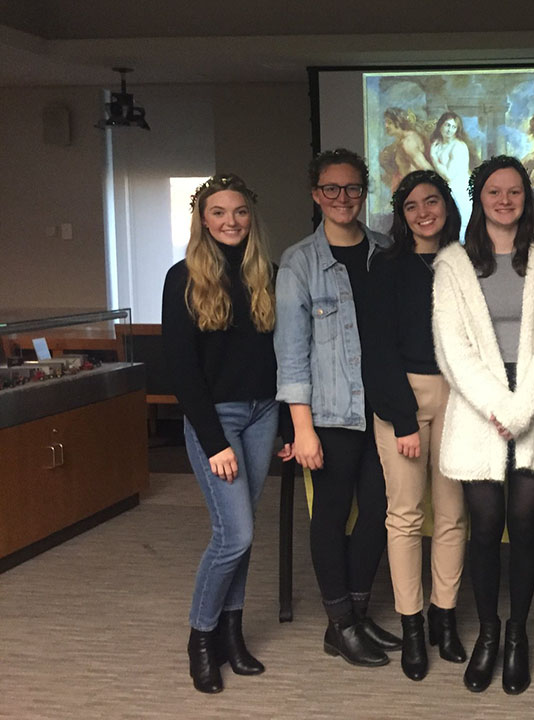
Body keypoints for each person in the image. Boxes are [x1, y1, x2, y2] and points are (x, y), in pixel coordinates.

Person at [431, 155, 534, 695]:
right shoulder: (454, 264)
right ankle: (488, 632)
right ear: (480, 198)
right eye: (494, 191)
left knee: (525, 523)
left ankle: (518, 635)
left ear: (526, 199)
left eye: (514, 192)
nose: (505, 200)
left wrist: (522, 409)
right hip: (477, 406)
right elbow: (453, 349)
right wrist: (498, 407)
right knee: (486, 529)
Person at [162, 174, 293, 694]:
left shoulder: (270, 274)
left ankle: (232, 639)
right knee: (232, 534)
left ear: (250, 217)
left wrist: (283, 422)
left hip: (264, 415)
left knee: (243, 535)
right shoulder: (183, 277)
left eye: (239, 211)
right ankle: (201, 637)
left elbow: (280, 358)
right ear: (203, 218)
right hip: (216, 420)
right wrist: (214, 440)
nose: (231, 221)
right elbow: (181, 368)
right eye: (219, 212)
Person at [275, 148, 402, 669]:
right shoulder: (299, 261)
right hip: (329, 416)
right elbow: (291, 350)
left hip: (383, 410)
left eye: (352, 188)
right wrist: (302, 429)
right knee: (330, 515)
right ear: (316, 194)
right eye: (332, 189)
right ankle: (340, 626)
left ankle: (357, 611)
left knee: (378, 510)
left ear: (364, 192)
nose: (342, 198)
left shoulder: (385, 249)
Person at [365, 170, 468, 681]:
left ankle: (443, 619)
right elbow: (377, 349)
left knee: (451, 515)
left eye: (432, 202)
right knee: (405, 515)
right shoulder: (385, 267)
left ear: (447, 207)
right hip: (402, 399)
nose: (423, 212)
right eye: (411, 206)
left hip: (459, 397)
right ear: (401, 216)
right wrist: (403, 418)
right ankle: (411, 625)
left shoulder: (468, 263)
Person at [428, 111, 474, 236]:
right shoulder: (437, 144)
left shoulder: (459, 146)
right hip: (446, 190)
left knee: (460, 225)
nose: (449, 130)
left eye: (453, 127)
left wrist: (433, 157)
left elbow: (448, 175)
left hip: (459, 191)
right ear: (441, 126)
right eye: (447, 125)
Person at [381, 108, 434, 192]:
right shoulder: (402, 140)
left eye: (389, 122)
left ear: (398, 122)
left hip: (414, 188)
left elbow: (424, 166)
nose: (386, 125)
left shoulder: (408, 142)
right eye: (386, 122)